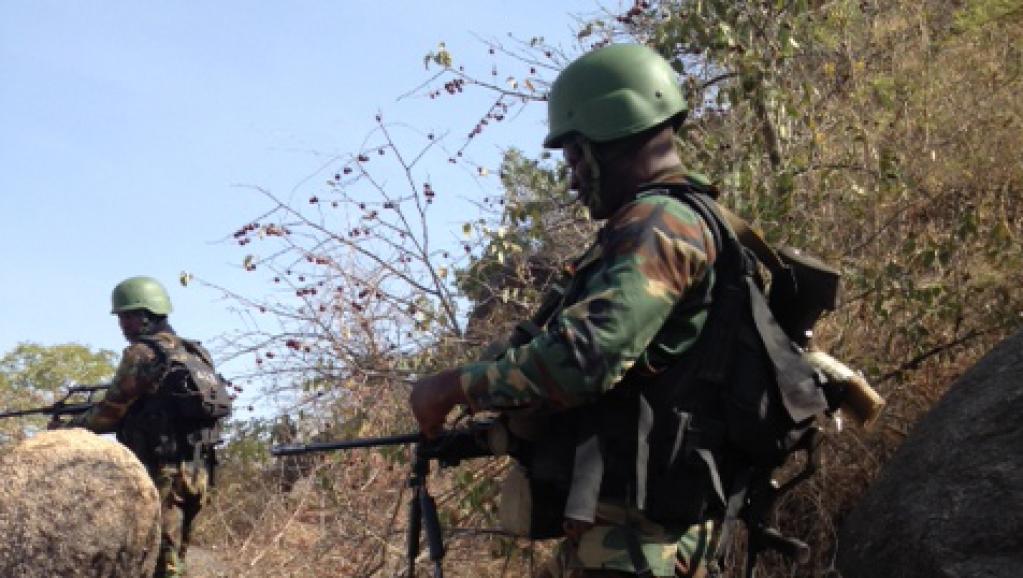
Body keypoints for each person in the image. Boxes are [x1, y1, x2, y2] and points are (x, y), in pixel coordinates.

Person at [411, 43, 728, 577]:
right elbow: (616, 386)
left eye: (577, 155)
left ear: (613, 134)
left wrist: (456, 387)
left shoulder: (659, 225)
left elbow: (586, 360)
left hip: (639, 546)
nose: (574, 177)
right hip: (625, 539)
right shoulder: (667, 223)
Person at [67, 276, 226, 578]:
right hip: (199, 470)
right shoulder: (194, 352)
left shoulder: (143, 353)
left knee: (161, 562)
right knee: (177, 554)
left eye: (124, 317)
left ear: (142, 317)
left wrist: (71, 426)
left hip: (163, 472)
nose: (121, 326)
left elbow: (109, 413)